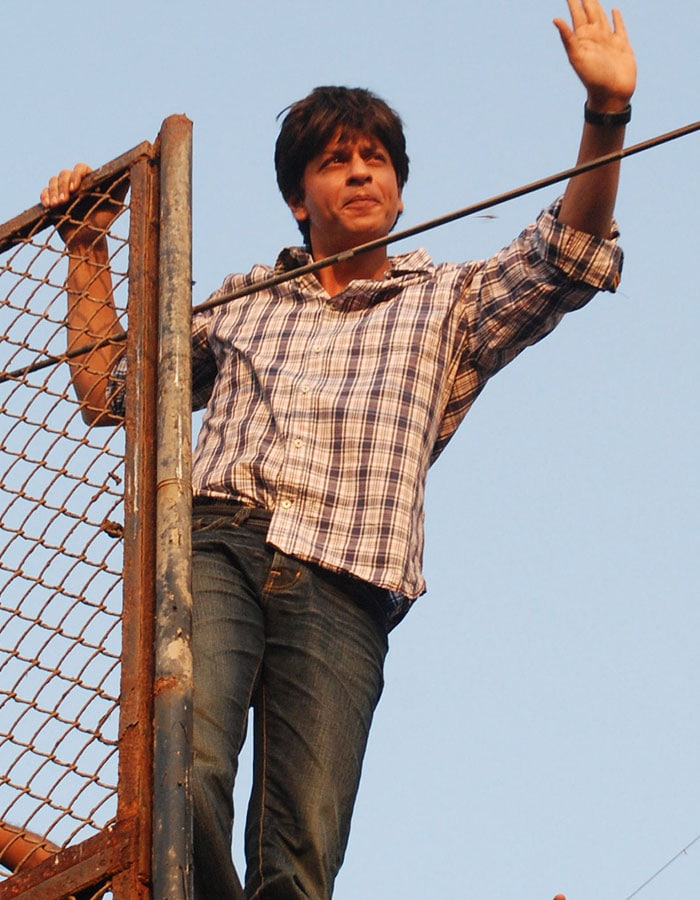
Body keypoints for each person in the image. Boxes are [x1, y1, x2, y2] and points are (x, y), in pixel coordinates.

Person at [41, 2, 636, 897]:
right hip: (218, 542)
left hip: (346, 586)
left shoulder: (449, 300)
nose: (360, 173)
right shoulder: (246, 299)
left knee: (299, 857)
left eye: (376, 160)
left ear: (399, 186)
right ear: (299, 196)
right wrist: (86, 248)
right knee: (179, 774)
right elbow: (109, 390)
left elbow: (570, 253)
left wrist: (606, 114)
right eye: (335, 161)